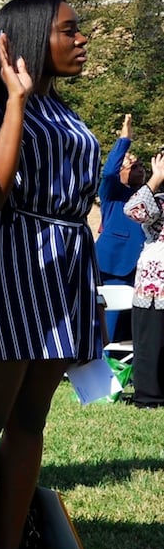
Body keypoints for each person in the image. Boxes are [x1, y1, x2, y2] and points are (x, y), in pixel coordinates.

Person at [0, 0, 100, 549]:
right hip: (11, 259)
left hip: (64, 265)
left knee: (31, 423)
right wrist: (15, 100)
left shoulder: (63, 108)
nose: (82, 38)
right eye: (70, 30)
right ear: (35, 36)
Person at [97, 113, 144, 342]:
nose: (139, 169)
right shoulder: (113, 195)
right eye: (132, 166)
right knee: (111, 326)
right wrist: (124, 141)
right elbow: (108, 173)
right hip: (115, 267)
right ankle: (107, 368)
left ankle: (130, 370)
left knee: (134, 329)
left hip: (143, 270)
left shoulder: (149, 198)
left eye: (141, 166)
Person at [124, 155, 164, 406]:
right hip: (155, 283)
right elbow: (132, 209)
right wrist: (157, 178)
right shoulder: (158, 203)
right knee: (151, 342)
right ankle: (149, 396)